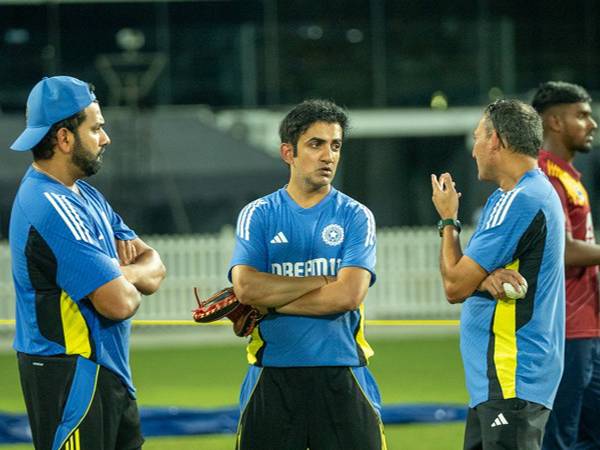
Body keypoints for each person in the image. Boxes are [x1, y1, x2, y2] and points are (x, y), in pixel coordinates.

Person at [9, 76, 166, 450]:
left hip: (105, 376)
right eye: (96, 128)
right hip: (72, 378)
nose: (105, 139)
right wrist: (123, 279)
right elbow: (120, 303)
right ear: (64, 138)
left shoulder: (85, 196)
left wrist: (118, 273)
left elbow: (154, 264)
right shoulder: (51, 206)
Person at [228, 99, 386, 450]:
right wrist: (318, 281)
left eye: (335, 145)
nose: (328, 155)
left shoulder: (356, 216)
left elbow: (347, 296)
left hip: (344, 376)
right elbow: (246, 288)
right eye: (316, 144)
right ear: (289, 152)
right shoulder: (258, 215)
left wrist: (272, 302)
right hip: (271, 378)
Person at [431, 99, 565, 450]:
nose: (473, 149)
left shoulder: (520, 199)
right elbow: (470, 273)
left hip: (511, 374)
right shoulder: (512, 196)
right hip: (498, 382)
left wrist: (448, 220)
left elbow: (454, 284)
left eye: (477, 137)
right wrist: (482, 277)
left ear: (497, 141)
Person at [532, 81, 600, 450]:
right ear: (555, 122)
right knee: (560, 439)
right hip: (564, 330)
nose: (591, 124)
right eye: (583, 115)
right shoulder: (543, 177)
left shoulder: (569, 177)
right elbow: (561, 250)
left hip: (587, 328)